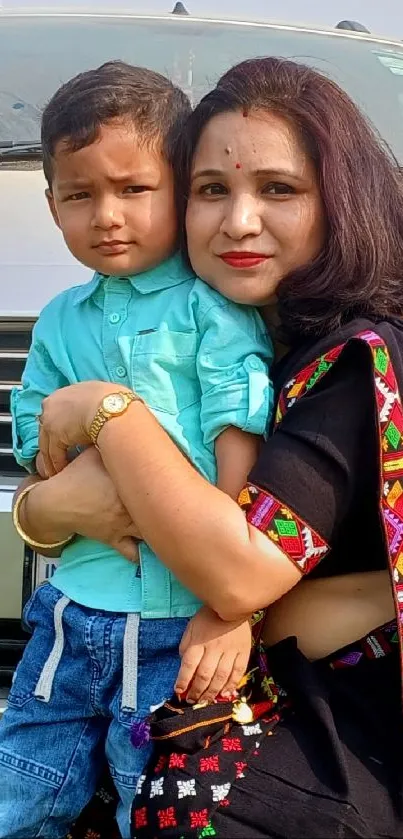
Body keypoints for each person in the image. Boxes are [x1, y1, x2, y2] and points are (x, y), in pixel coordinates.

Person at [23, 56, 403, 837]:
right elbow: (53, 492)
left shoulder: (359, 357)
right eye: (209, 190)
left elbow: (237, 567)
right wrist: (39, 509)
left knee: (182, 802)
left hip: (343, 731)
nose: (236, 222)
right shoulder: (254, 326)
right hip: (140, 634)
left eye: (278, 189)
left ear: (341, 200)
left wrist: (110, 410)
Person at [1, 60, 274, 839]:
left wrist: (231, 595)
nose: (107, 216)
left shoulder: (210, 307)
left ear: (182, 188)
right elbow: (33, 434)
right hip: (69, 608)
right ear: (52, 205)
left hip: (177, 624)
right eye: (80, 195)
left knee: (153, 797)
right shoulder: (58, 318)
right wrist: (65, 476)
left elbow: (237, 433)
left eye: (134, 188)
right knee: (23, 786)